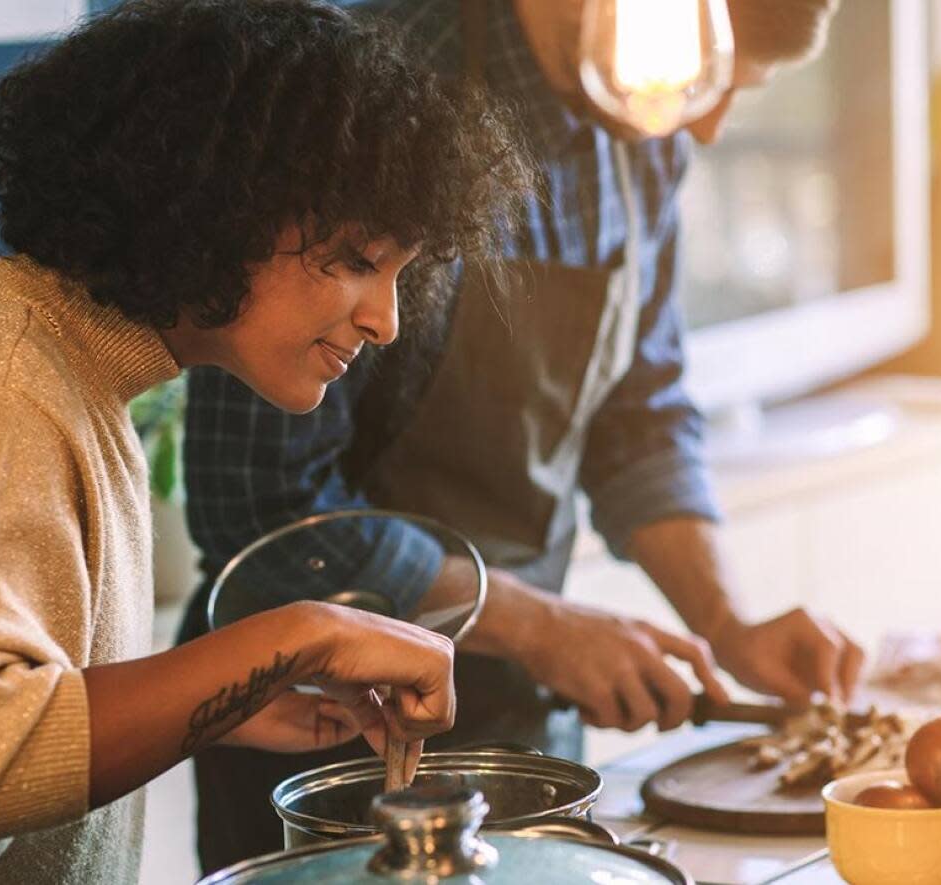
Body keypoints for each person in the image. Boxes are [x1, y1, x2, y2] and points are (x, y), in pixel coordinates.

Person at [181, 0, 866, 874]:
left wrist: (728, 622)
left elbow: (639, 414)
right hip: (321, 746)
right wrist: (537, 625)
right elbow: (265, 514)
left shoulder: (644, 128)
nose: (711, 122)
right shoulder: (362, 92)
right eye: (711, 72)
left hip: (521, 730)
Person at [0, 1, 532, 882]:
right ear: (216, 202)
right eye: (357, 259)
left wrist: (217, 703)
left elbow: (28, 693)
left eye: (401, 275)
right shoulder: (1, 392)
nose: (387, 320)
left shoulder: (78, 378)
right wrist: (305, 633)